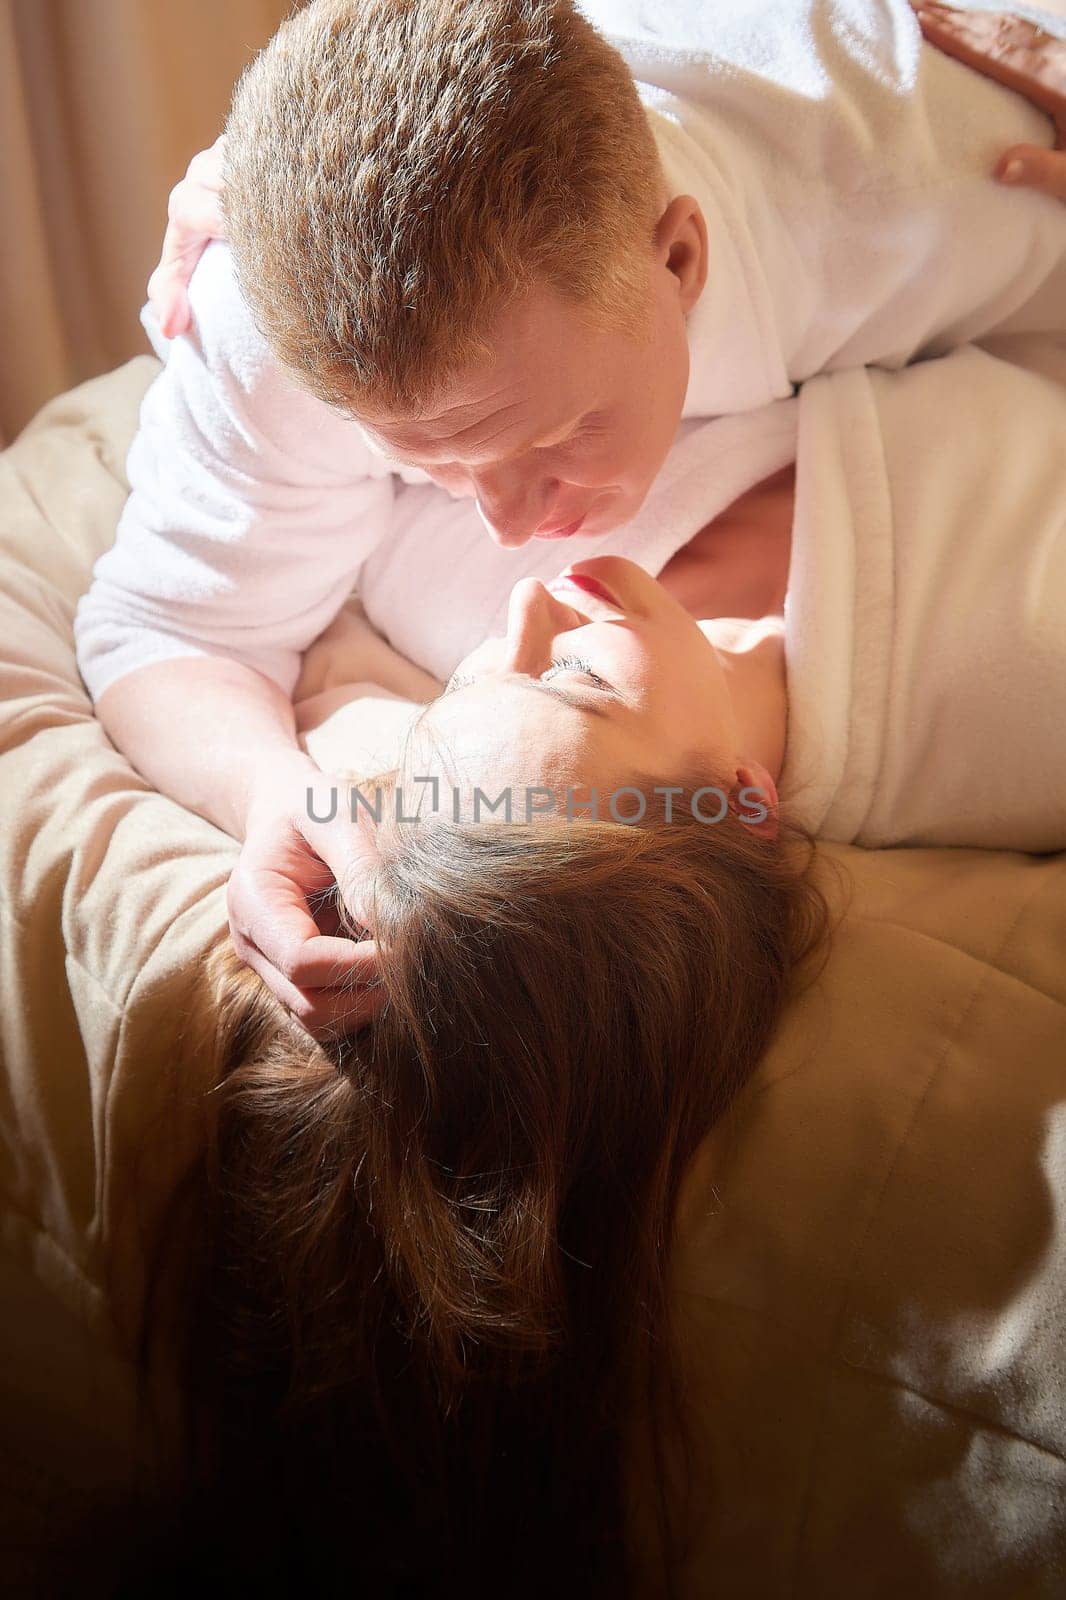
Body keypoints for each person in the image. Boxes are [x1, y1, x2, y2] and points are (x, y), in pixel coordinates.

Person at [129, 322, 1066, 1596]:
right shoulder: (1014, 693)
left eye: (464, 684)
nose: (525, 598)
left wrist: (238, 210)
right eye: (571, 676)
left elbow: (169, 591)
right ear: (740, 806)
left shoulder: (445, 561)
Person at [74, 0, 1066, 1039]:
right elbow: (167, 626)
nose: (516, 536)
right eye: (425, 460)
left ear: (678, 257)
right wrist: (277, 794)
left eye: (555, 435)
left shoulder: (929, 187)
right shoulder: (263, 320)